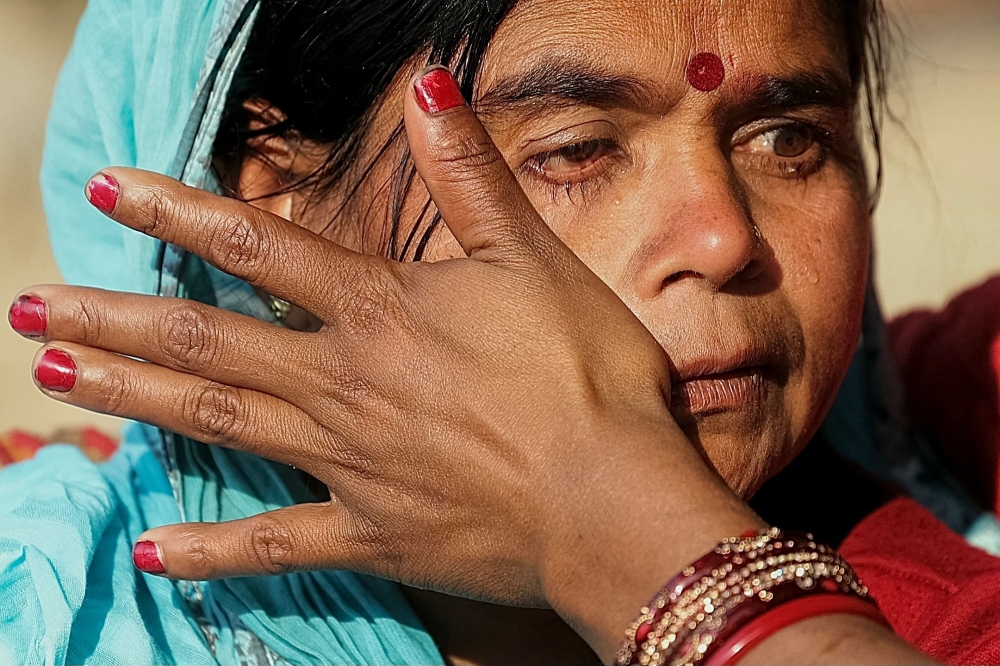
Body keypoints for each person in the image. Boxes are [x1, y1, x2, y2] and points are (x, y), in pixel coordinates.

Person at [4, 0, 1000, 664]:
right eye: (575, 149)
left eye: (789, 140)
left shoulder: (951, 582)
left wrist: (608, 522)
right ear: (274, 203)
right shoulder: (56, 613)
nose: (723, 236)